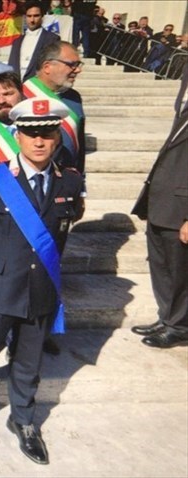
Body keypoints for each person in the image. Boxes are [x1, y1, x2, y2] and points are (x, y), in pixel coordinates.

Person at [0, 98, 84, 467]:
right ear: (18, 135)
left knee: (27, 363)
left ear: (57, 136)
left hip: (40, 289)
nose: (39, 141)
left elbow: (61, 232)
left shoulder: (70, 181)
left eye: (47, 133)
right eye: (31, 133)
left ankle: (23, 420)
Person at [129, 62, 188, 349]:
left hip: (182, 209)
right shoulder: (185, 113)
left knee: (180, 272)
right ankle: (168, 316)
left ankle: (179, 325)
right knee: (162, 267)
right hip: (164, 201)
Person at [24, 41, 86, 176]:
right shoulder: (22, 96)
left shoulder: (74, 98)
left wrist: (81, 184)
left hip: (66, 180)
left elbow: (80, 148)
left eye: (78, 64)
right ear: (47, 67)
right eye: (71, 65)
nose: (78, 70)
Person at [9, 0, 60, 81]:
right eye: (29, 16)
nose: (32, 20)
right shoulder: (17, 41)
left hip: (38, 87)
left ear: (42, 16)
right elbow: (11, 67)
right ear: (25, 17)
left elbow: (54, 66)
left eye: (36, 16)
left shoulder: (52, 39)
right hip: (17, 87)